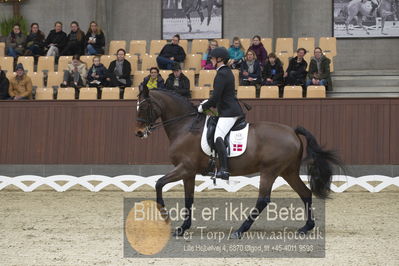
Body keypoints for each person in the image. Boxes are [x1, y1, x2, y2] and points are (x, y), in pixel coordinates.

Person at [197, 47, 244, 181]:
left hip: (229, 112)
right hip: (226, 109)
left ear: (219, 59)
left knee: (218, 136)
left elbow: (216, 97)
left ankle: (224, 170)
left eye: (212, 58)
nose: (210, 60)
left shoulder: (222, 73)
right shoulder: (224, 72)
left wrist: (203, 107)